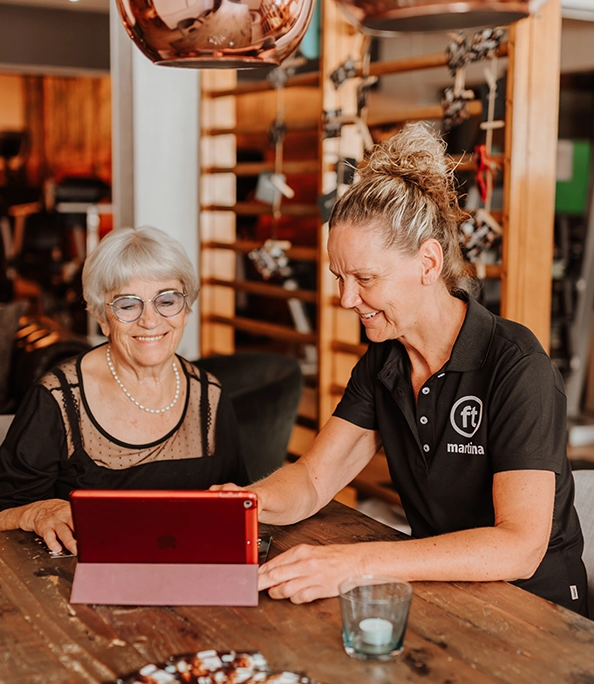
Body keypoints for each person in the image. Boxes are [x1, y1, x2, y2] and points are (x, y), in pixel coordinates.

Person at [222, 123, 587, 615]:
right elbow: (312, 480)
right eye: (340, 278)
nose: (347, 299)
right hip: (445, 591)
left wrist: (355, 563)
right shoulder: (383, 362)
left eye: (365, 278)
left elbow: (519, 547)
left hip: (538, 611)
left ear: (428, 263)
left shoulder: (516, 367)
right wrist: (246, 503)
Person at [0, 226, 248, 553]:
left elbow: (238, 506)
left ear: (185, 310)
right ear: (103, 318)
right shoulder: (58, 398)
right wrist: (36, 511)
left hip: (190, 577)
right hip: (79, 584)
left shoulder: (209, 396)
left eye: (167, 300)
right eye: (128, 305)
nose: (150, 320)